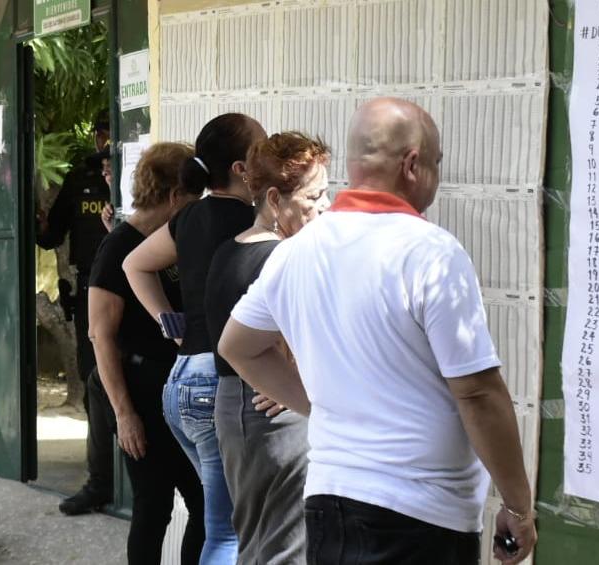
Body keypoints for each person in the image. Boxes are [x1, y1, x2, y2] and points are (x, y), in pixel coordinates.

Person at [218, 98, 537, 565]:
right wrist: (518, 506)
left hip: (330, 505)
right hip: (419, 516)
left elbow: (238, 347)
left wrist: (324, 408)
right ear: (412, 165)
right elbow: (477, 394)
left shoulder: (296, 252)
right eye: (435, 163)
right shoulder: (432, 252)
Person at [123, 113, 266, 564]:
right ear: (242, 168)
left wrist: (167, 318)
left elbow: (135, 265)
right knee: (228, 533)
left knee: (216, 522)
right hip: (217, 384)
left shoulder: (189, 218)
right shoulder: (252, 221)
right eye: (260, 148)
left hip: (180, 381)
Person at [204, 132, 329, 564]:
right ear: (275, 199)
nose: (325, 208)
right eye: (314, 196)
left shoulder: (229, 250)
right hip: (274, 417)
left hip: (236, 409)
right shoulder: (285, 257)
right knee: (285, 549)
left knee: (256, 543)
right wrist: (293, 386)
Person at [87, 142, 205, 564]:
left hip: (171, 389)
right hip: (136, 390)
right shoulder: (119, 247)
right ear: (175, 196)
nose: (200, 207)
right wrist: (124, 415)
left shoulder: (164, 243)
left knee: (206, 504)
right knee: (153, 506)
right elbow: (101, 337)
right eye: (195, 196)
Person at [38, 115, 116, 515]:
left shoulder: (137, 178)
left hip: (139, 287)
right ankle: (100, 480)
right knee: (95, 382)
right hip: (91, 287)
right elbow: (52, 235)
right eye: (100, 133)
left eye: (109, 134)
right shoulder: (81, 178)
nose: (104, 143)